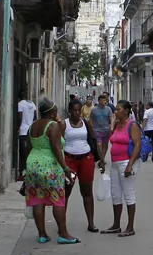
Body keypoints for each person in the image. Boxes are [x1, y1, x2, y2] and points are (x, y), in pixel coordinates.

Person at [24, 97, 79, 244]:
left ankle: (42, 234)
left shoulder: (33, 126)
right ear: (52, 112)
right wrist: (66, 168)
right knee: (58, 200)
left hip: (33, 164)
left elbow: (28, 147)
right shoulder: (52, 126)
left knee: (38, 199)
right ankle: (63, 234)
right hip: (49, 166)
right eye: (55, 110)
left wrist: (26, 168)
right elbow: (56, 148)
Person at [103, 100, 142, 237]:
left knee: (128, 193)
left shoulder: (132, 125)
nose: (116, 111)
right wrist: (112, 124)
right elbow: (111, 139)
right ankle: (116, 224)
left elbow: (137, 145)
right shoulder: (118, 124)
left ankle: (130, 226)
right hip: (115, 163)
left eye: (118, 109)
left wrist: (130, 165)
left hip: (126, 162)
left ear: (125, 111)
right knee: (115, 194)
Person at [61, 99, 98, 232]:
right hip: (70, 161)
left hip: (86, 159)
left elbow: (94, 140)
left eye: (78, 110)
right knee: (67, 190)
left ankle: (91, 223)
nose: (76, 113)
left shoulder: (86, 123)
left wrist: (100, 160)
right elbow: (58, 143)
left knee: (87, 191)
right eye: (74, 111)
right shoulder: (63, 124)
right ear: (69, 111)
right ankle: (62, 224)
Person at [17, 90, 37, 177]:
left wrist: (17, 128)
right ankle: (29, 171)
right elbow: (35, 117)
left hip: (23, 130)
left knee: (22, 153)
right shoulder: (33, 104)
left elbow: (20, 118)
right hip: (30, 130)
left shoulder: (20, 104)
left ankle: (22, 172)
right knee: (29, 153)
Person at [92, 94, 114, 164]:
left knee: (105, 145)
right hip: (97, 130)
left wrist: (112, 126)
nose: (105, 101)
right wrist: (92, 128)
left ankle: (102, 158)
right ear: (99, 101)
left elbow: (111, 118)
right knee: (99, 144)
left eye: (105, 100)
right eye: (103, 100)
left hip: (106, 130)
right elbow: (90, 119)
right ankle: (101, 160)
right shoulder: (94, 110)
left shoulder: (108, 109)